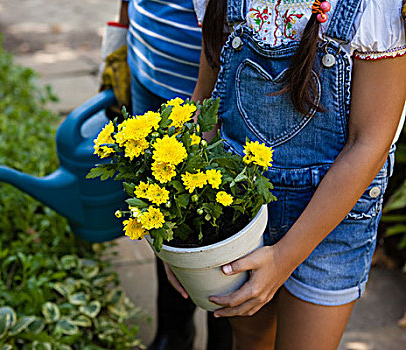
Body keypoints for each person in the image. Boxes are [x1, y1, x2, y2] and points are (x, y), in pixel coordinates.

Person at [164, 0, 406, 349]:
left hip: (334, 215)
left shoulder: (373, 8)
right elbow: (206, 104)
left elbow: (368, 142)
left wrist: (283, 258)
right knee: (250, 337)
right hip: (240, 209)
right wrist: (185, 239)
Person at [104, 1, 233, 349]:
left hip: (216, 76)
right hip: (146, 62)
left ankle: (224, 337)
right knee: (164, 211)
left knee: (222, 221)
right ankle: (174, 332)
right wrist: (120, 35)